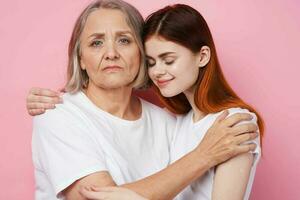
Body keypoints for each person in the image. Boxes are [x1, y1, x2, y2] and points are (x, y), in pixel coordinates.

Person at [27, 0, 258, 200]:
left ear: (140, 52)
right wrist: (203, 156)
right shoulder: (57, 114)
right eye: (96, 42)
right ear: (81, 59)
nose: (111, 53)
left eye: (124, 40)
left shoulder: (171, 124)